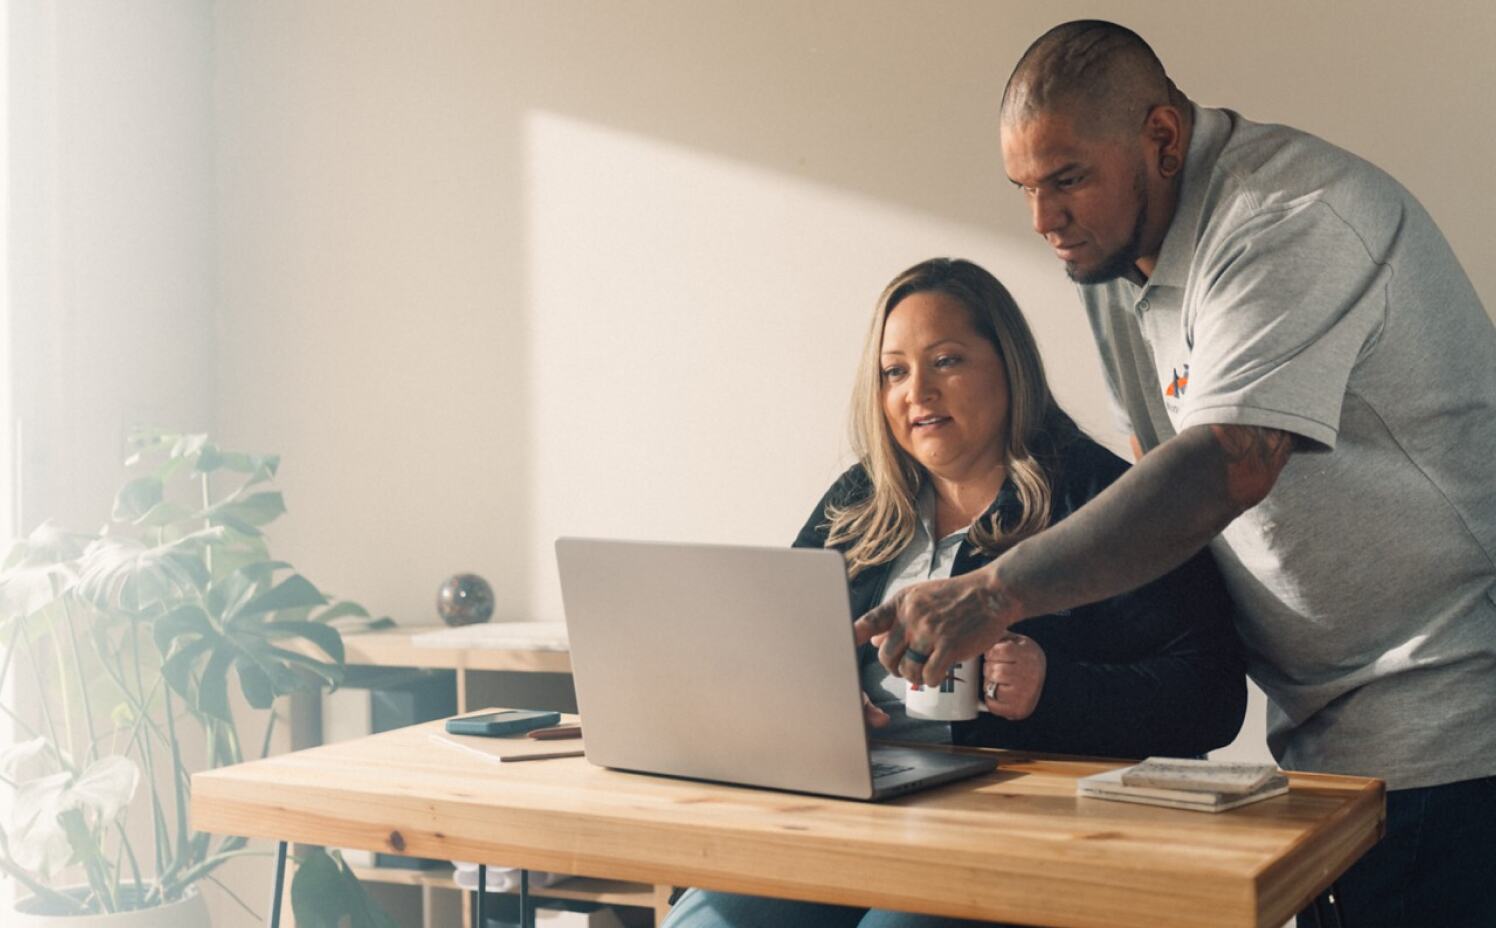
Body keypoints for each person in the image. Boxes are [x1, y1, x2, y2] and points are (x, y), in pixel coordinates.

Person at [855, 21, 1496, 928]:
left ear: (1162, 139)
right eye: (1025, 189)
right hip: (1319, 731)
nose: (1043, 220)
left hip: (1455, 712)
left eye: (1068, 178)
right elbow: (1163, 479)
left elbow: (1227, 466)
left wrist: (993, 594)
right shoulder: (1116, 265)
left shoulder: (1289, 217)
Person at [664, 257, 1246, 928]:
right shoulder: (859, 504)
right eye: (895, 371)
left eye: (946, 361)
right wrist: (815, 706)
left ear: (1009, 365)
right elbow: (773, 649)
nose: (918, 392)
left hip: (1013, 827)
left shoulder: (1104, 503)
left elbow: (1212, 696)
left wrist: (1052, 688)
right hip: (853, 812)